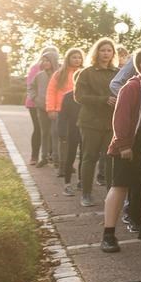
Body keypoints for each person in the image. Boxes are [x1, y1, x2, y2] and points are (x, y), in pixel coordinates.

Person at [101, 47, 141, 252]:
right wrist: (124, 145)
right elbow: (120, 118)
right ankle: (108, 234)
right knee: (120, 186)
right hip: (130, 145)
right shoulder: (132, 87)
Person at [73, 38, 118, 207]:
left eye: (109, 50)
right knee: (89, 157)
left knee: (110, 159)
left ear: (113, 53)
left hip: (111, 122)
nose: (106, 53)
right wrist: (103, 99)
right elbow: (79, 97)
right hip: (90, 121)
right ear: (96, 52)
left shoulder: (118, 72)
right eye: (102, 50)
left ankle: (111, 195)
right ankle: (86, 194)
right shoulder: (87, 72)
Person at [50, 48, 84, 192]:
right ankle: (67, 182)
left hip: (86, 128)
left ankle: (82, 180)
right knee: (70, 154)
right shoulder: (68, 96)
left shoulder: (86, 96)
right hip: (72, 129)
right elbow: (63, 116)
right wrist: (62, 132)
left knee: (84, 155)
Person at [25, 46, 59, 165]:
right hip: (38, 106)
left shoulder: (59, 74)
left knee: (55, 133)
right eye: (44, 60)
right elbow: (31, 86)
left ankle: (55, 157)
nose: (45, 62)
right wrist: (35, 98)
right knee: (41, 131)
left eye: (48, 60)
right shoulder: (38, 72)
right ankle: (39, 157)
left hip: (56, 108)